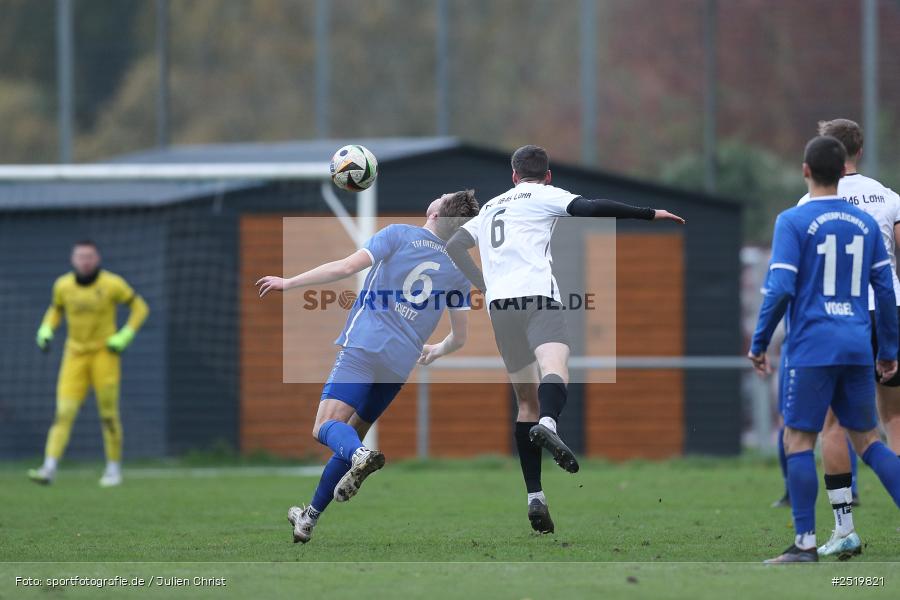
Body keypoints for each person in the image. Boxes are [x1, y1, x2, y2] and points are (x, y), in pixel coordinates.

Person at [445, 145, 684, 533]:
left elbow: (454, 245)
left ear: (513, 175)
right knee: (554, 366)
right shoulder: (544, 194)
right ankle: (550, 424)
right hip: (538, 297)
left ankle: (535, 496)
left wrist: (482, 284)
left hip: (500, 307)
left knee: (525, 401)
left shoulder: (489, 207)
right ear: (548, 175)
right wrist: (648, 213)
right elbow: (591, 207)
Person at [256, 190, 479, 544]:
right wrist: (436, 350)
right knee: (351, 435)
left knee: (325, 427)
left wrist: (290, 282)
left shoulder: (398, 234)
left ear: (435, 214)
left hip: (366, 345)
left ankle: (360, 456)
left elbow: (345, 267)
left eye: (442, 197)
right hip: (400, 362)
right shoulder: (459, 268)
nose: (438, 196)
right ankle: (308, 518)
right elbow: (460, 337)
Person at [749, 136, 900, 563]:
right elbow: (885, 289)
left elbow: (780, 287)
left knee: (798, 438)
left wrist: (760, 341)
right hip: (857, 342)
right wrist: (888, 348)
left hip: (813, 344)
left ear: (805, 170)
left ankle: (804, 544)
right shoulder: (866, 223)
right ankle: (834, 533)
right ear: (844, 169)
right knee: (869, 440)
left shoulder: (793, 219)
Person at [790, 119, 900, 557]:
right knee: (894, 417)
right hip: (889, 311)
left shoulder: (810, 202)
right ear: (859, 151)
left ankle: (844, 527)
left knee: (833, 425)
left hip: (841, 319)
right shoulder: (888, 197)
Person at [28, 240, 150, 487]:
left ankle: (113, 470)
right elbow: (56, 310)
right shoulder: (62, 285)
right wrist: (46, 329)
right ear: (73, 259)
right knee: (64, 412)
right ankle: (49, 468)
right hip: (74, 354)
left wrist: (125, 335)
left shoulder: (112, 283)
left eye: (90, 256)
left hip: (105, 353)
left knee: (108, 414)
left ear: (98, 258)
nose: (85, 261)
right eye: (81, 256)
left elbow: (140, 307)